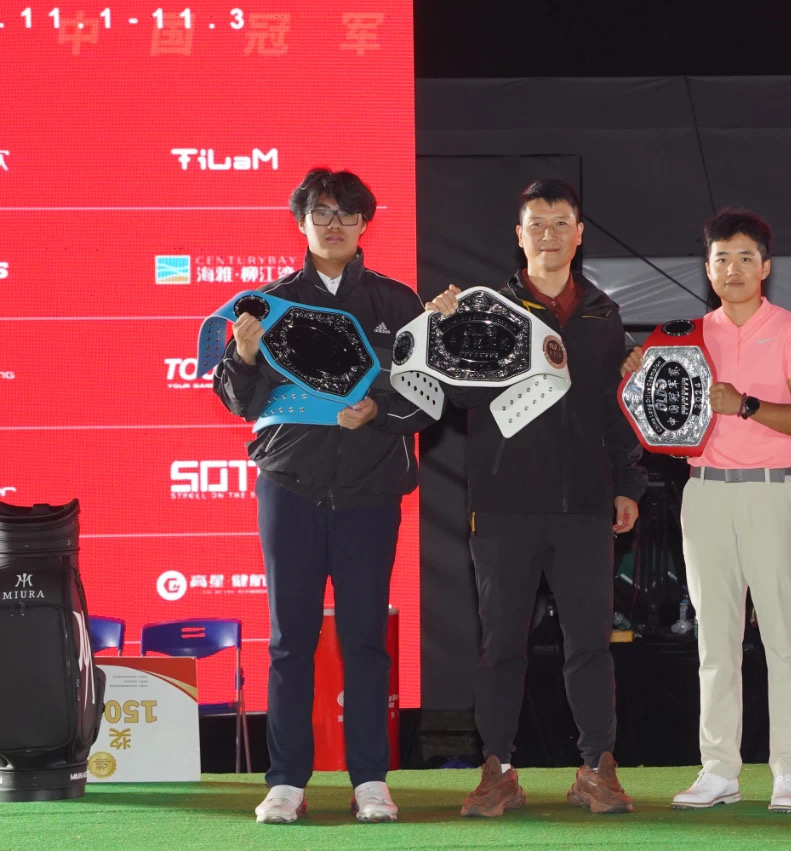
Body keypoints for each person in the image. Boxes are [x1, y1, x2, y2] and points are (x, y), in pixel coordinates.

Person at [212, 168, 434, 824]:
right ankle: (286, 780)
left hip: (371, 492)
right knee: (289, 641)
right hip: (290, 488)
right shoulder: (268, 304)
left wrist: (379, 410)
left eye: (346, 214)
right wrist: (243, 355)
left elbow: (429, 398)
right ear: (301, 222)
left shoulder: (398, 302)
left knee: (366, 639)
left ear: (365, 223)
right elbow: (239, 400)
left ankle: (371, 780)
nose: (334, 225)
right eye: (321, 213)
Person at [427, 178, 647, 817]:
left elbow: (612, 412)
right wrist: (446, 332)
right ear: (519, 236)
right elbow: (457, 398)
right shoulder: (486, 308)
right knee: (501, 646)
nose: (549, 235)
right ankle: (496, 768)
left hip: (585, 507)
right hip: (503, 506)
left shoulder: (604, 314)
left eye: (561, 223)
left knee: (590, 645)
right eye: (537, 224)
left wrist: (628, 484)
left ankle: (598, 767)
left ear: (579, 235)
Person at [622, 209, 791, 813]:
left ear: (765, 266)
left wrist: (747, 405)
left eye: (744, 258)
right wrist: (635, 376)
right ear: (707, 269)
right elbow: (650, 409)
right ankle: (718, 770)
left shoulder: (790, 329)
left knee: (783, 637)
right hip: (704, 491)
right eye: (721, 259)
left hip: (772, 490)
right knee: (714, 639)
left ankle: (790, 770)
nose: (732, 269)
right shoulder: (683, 336)